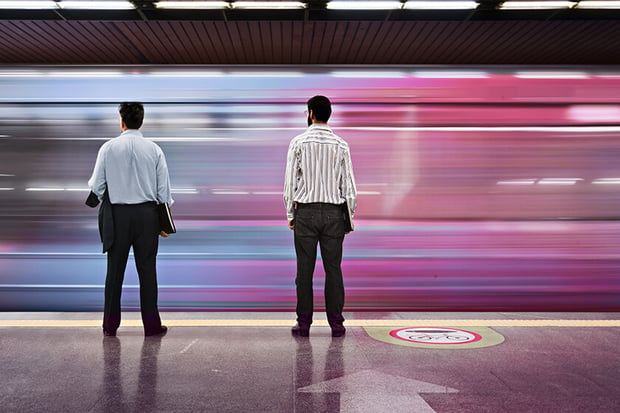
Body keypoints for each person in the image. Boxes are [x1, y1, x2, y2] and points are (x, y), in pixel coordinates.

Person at [88, 102, 172, 337]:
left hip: (118, 216)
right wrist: (163, 223)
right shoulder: (154, 150)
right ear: (141, 121)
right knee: (148, 272)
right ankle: (152, 326)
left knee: (115, 272)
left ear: (122, 121)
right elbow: (163, 191)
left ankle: (110, 325)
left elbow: (97, 186)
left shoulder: (108, 148)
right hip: (147, 216)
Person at [283, 95, 357, 337]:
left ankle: (304, 323)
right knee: (333, 269)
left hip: (305, 212)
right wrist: (348, 216)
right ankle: (336, 324)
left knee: (304, 271)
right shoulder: (341, 145)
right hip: (334, 214)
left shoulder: (298, 142)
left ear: (311, 113)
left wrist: (291, 214)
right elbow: (349, 187)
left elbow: (289, 184)